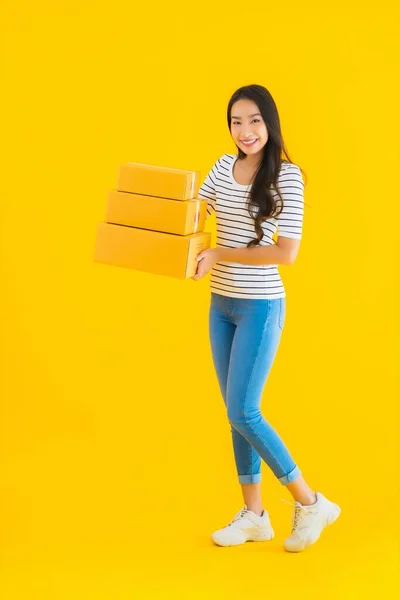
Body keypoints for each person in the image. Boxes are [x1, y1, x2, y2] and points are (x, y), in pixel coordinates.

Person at [192, 84, 341, 553]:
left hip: (260, 306)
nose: (245, 130)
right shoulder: (222, 167)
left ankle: (311, 502)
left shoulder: (287, 176)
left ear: (270, 123)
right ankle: (255, 514)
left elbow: (286, 252)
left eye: (254, 120)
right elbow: (192, 213)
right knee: (234, 417)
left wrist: (217, 253)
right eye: (236, 121)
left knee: (243, 410)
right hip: (221, 306)